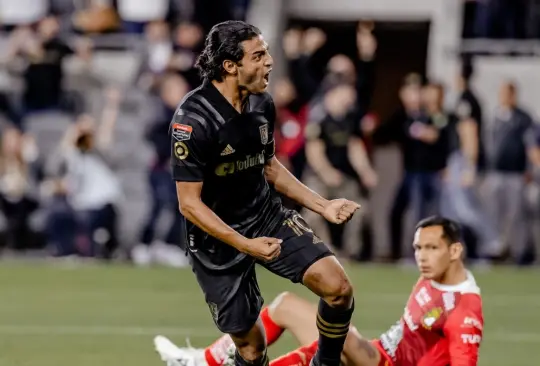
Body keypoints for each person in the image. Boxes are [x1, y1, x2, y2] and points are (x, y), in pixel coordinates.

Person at [169, 20, 359, 366]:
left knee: (339, 289)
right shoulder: (193, 120)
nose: (269, 61)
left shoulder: (262, 104)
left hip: (266, 216)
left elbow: (268, 166)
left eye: (267, 52)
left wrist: (324, 204)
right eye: (258, 55)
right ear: (230, 66)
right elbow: (189, 204)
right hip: (217, 241)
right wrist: (245, 244)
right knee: (252, 349)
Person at [155, 216, 484, 366]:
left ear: (455, 251)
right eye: (418, 248)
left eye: (432, 248)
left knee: (330, 344)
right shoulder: (433, 277)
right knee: (286, 307)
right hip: (374, 354)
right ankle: (200, 360)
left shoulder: (464, 310)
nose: (422, 257)